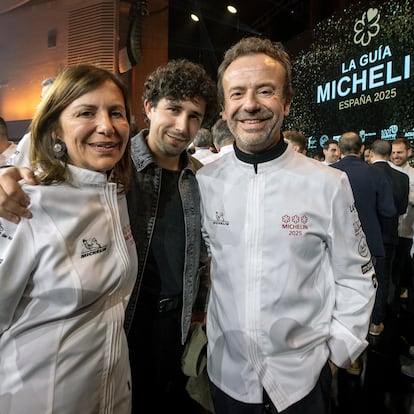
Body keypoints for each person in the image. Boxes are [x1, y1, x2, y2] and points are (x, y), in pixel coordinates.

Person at [0, 59, 217, 413]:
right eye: (174, 109)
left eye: (195, 115)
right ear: (148, 108)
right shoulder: (108, 167)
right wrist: (7, 175)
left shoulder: (195, 179)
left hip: (155, 344)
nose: (182, 125)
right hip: (58, 380)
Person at [196, 36, 376, 414]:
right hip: (227, 377)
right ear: (225, 109)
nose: (250, 105)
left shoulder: (328, 182)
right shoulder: (205, 182)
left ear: (287, 102)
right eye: (237, 93)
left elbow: (357, 274)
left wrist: (337, 354)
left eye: (266, 91)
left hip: (303, 380)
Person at [0, 64, 137, 413]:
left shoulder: (116, 195)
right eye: (86, 113)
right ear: (56, 130)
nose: (106, 126)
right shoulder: (26, 202)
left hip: (111, 398)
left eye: (116, 113)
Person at [331, 132, 396, 337]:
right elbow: (389, 211)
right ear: (362, 150)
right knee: (369, 289)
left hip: (334, 243)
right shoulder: (376, 174)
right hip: (369, 243)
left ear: (339, 150)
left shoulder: (326, 172)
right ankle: (369, 328)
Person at [389, 137, 414, 311]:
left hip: (407, 230)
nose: (396, 156)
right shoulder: (384, 172)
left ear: (409, 152)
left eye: (400, 152)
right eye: (393, 152)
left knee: (402, 269)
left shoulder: (413, 174)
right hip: (387, 231)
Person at [9, 77, 55, 168]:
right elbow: (15, 170)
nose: (39, 106)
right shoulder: (32, 139)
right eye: (42, 99)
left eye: (49, 99)